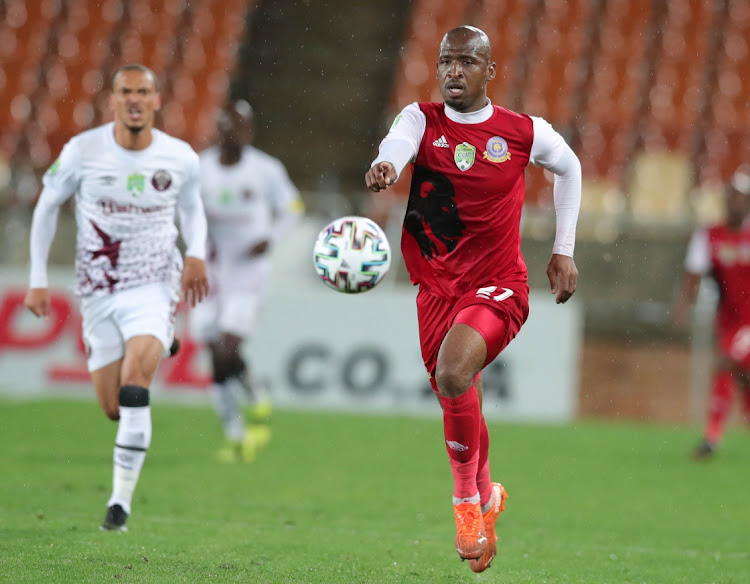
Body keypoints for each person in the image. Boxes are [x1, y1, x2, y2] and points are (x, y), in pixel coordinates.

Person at [365, 26, 581, 572]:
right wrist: (388, 165)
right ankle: (487, 498)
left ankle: (464, 501)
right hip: (437, 285)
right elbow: (398, 143)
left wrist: (563, 249)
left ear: (490, 71)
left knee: (455, 373)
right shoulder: (421, 119)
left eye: (466, 62)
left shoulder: (521, 131)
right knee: (457, 393)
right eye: (446, 61)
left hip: (499, 283)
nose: (453, 72)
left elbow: (571, 168)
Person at [24, 63, 209, 532]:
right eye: (125, 91)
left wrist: (197, 255)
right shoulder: (82, 151)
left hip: (153, 284)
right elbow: (47, 207)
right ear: (113, 100)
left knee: (134, 385)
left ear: (156, 100)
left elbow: (192, 208)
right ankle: (162, 342)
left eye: (143, 91)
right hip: (98, 291)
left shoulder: (180, 156)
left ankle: (118, 506)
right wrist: (38, 278)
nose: (134, 99)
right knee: (113, 407)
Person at [190, 100, 303, 463]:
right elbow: (184, 211)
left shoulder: (265, 169)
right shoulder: (199, 168)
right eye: (229, 125)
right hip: (211, 269)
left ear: (249, 130)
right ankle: (236, 434)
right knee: (213, 353)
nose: (235, 132)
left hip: (248, 272)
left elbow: (294, 207)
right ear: (219, 129)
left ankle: (255, 389)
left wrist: (269, 237)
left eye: (242, 126)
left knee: (227, 346)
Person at [673, 167, 750, 460]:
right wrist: (683, 304)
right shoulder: (710, 235)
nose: (734, 203)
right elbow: (693, 272)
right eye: (731, 197)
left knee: (725, 363)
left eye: (741, 198)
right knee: (742, 377)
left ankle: (712, 437)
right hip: (729, 320)